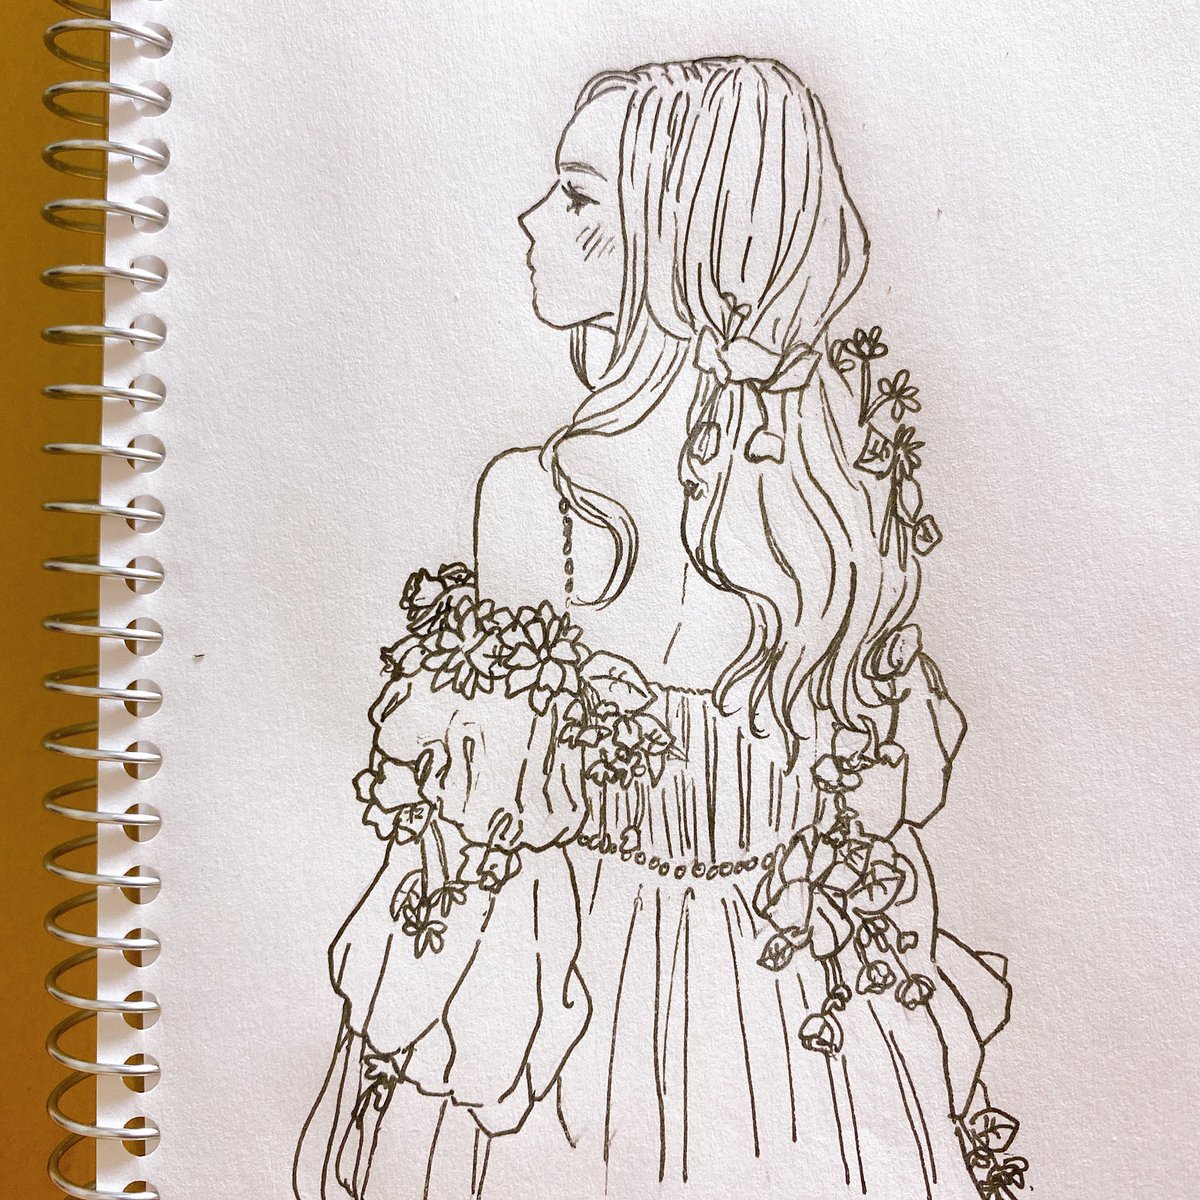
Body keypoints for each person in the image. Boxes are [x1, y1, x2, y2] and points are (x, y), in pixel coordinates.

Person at [295, 56, 1019, 1200]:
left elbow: (489, 837)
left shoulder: (534, 499)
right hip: (795, 1007)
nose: (533, 219)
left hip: (582, 996)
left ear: (681, 244)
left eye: (580, 195)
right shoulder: (837, 510)